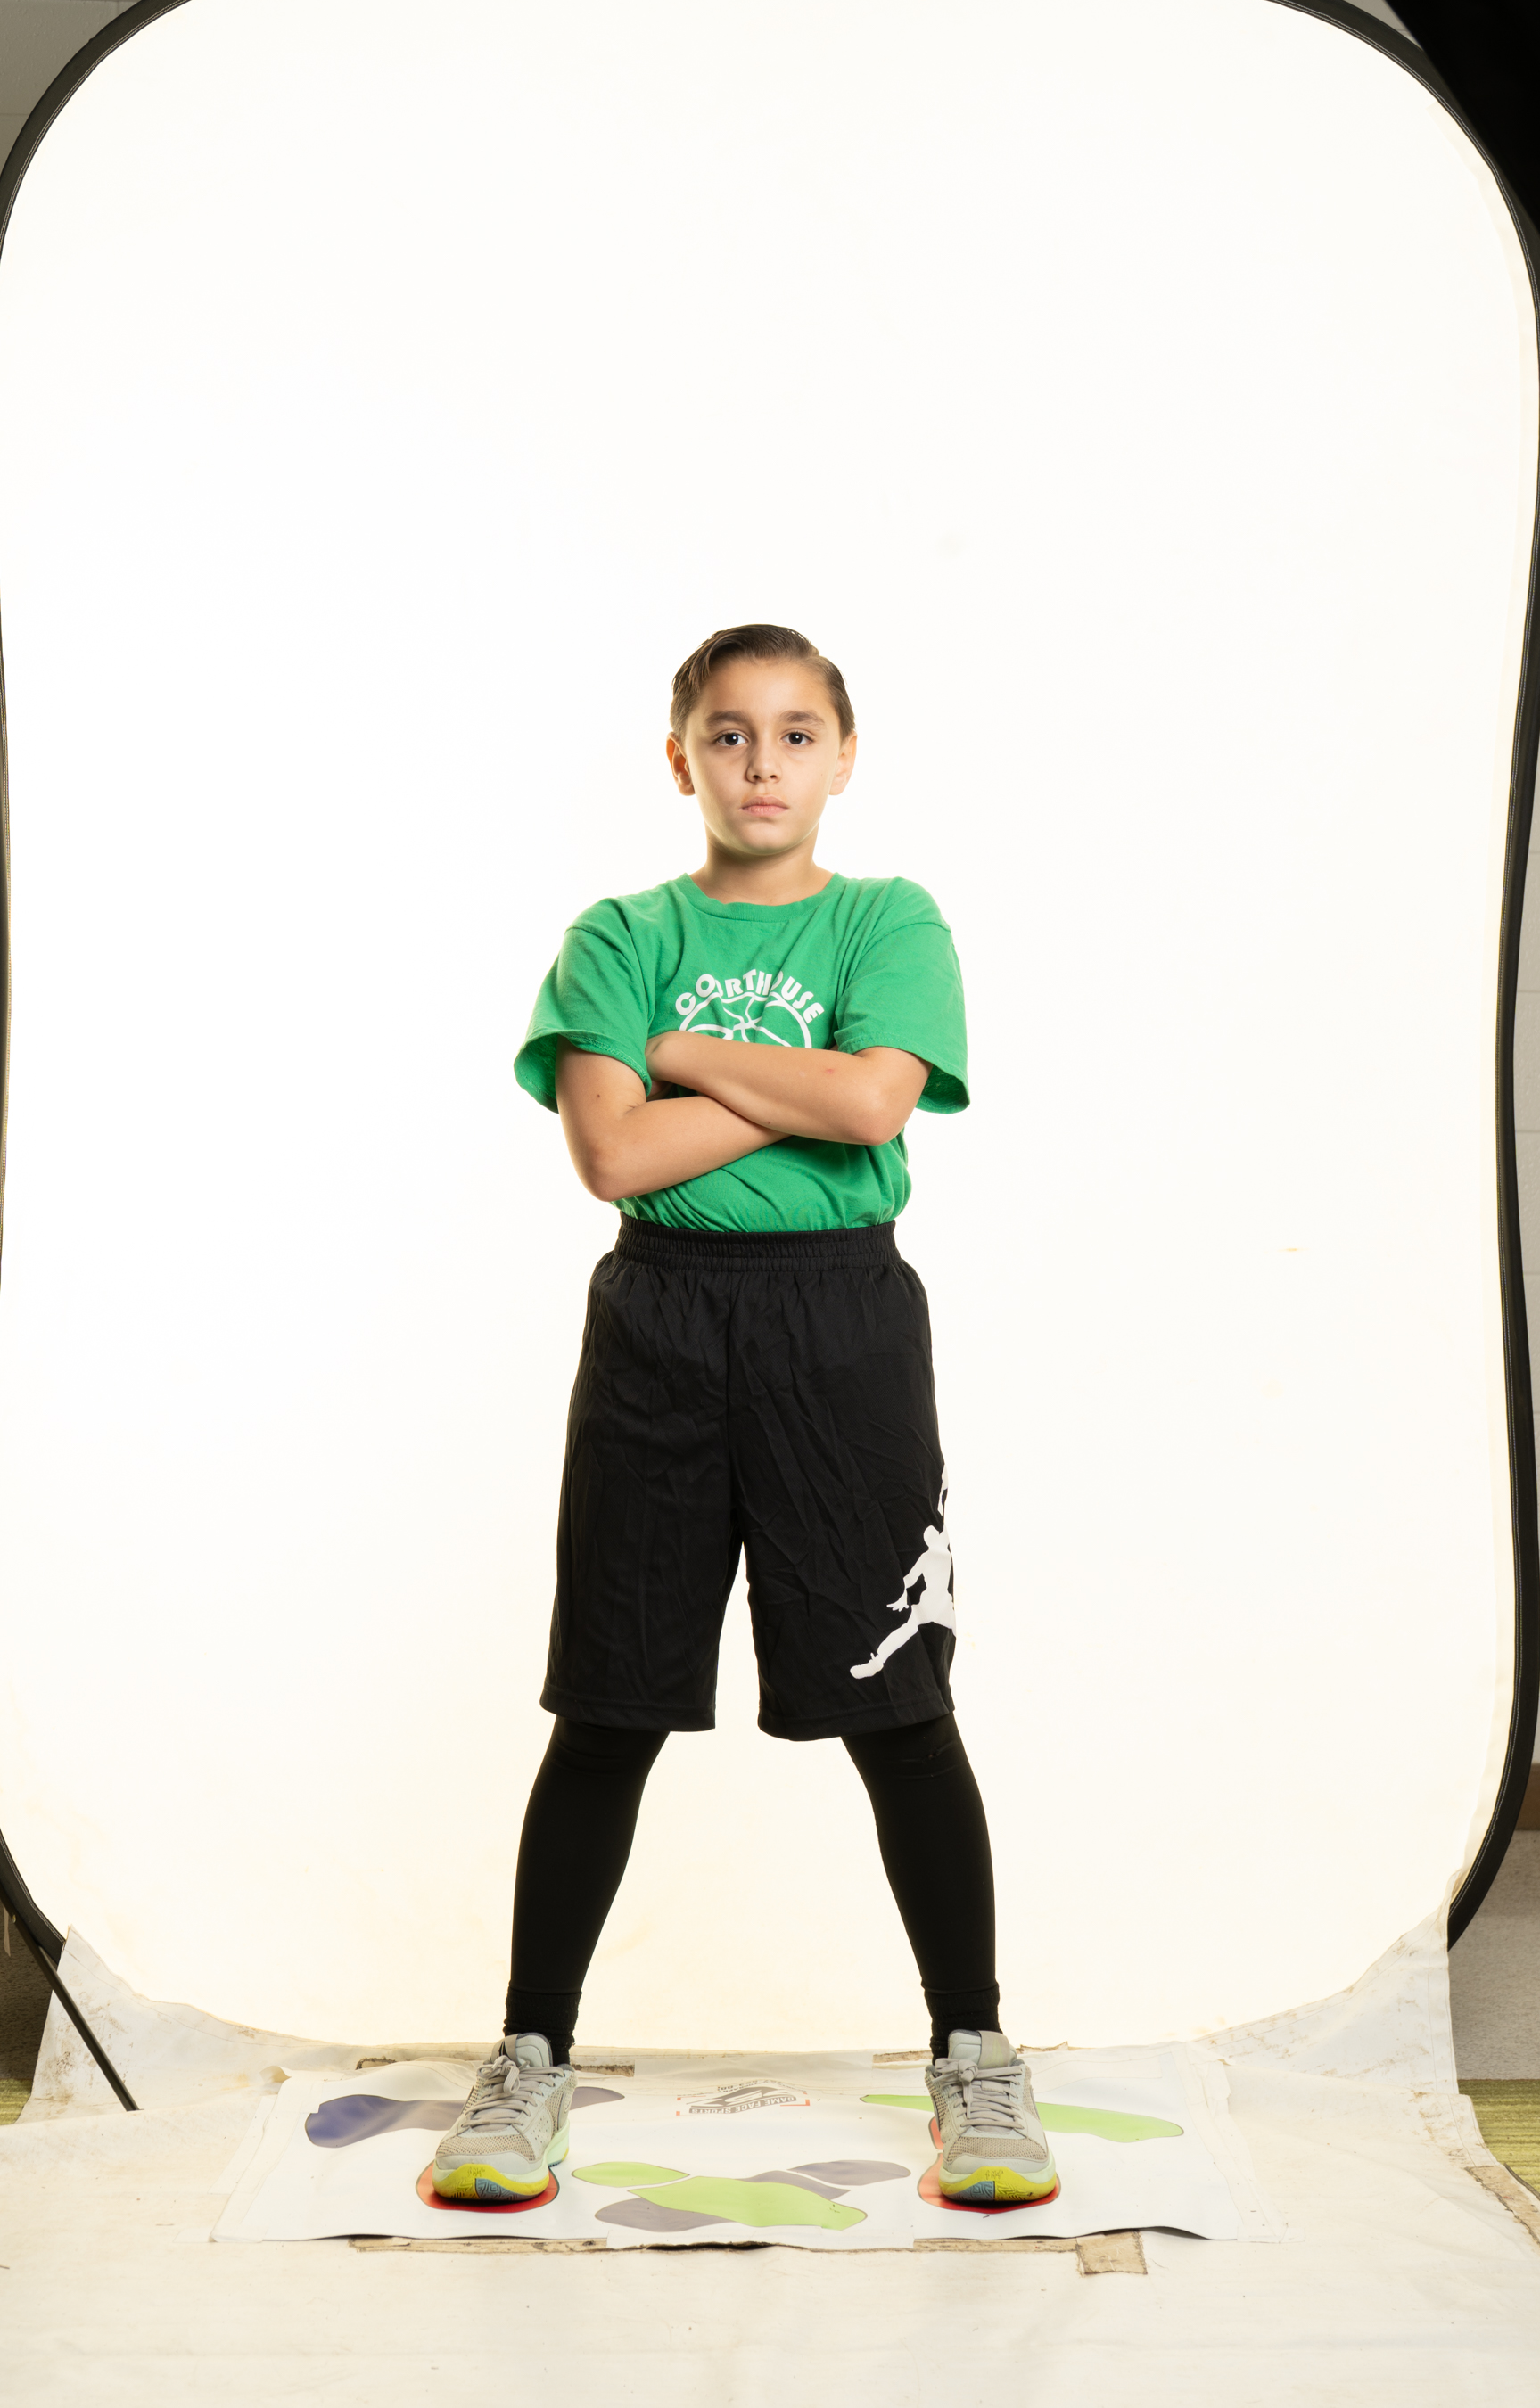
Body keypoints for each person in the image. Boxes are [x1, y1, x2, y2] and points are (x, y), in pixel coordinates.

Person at [432, 624, 1054, 2210]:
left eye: (793, 732)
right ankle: (527, 2058)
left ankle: (975, 2055)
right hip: (660, 1319)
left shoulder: (887, 917)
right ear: (681, 759)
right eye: (727, 732)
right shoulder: (618, 931)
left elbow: (873, 1103)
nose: (760, 762)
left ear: (841, 757)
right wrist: (800, 1070)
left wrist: (683, 1053)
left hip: (841, 1321)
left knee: (898, 1704)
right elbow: (614, 1157)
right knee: (608, 1706)